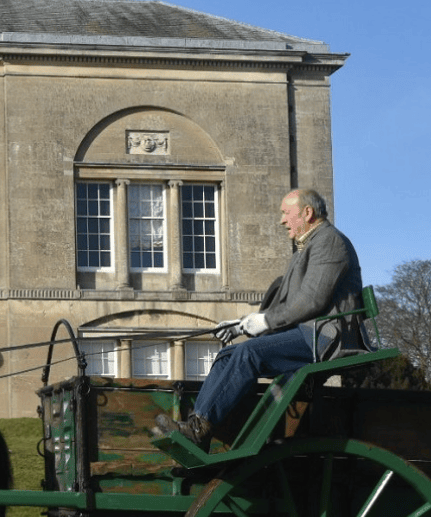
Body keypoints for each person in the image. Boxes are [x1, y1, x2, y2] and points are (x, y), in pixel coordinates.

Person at [154, 188, 367, 450]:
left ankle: (198, 430)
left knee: (248, 354)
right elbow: (283, 306)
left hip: (324, 337)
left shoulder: (329, 242)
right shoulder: (305, 249)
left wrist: (264, 323)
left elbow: (312, 301)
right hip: (307, 333)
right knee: (227, 356)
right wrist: (241, 323)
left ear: (308, 213)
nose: (282, 220)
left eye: (286, 213)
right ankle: (199, 430)